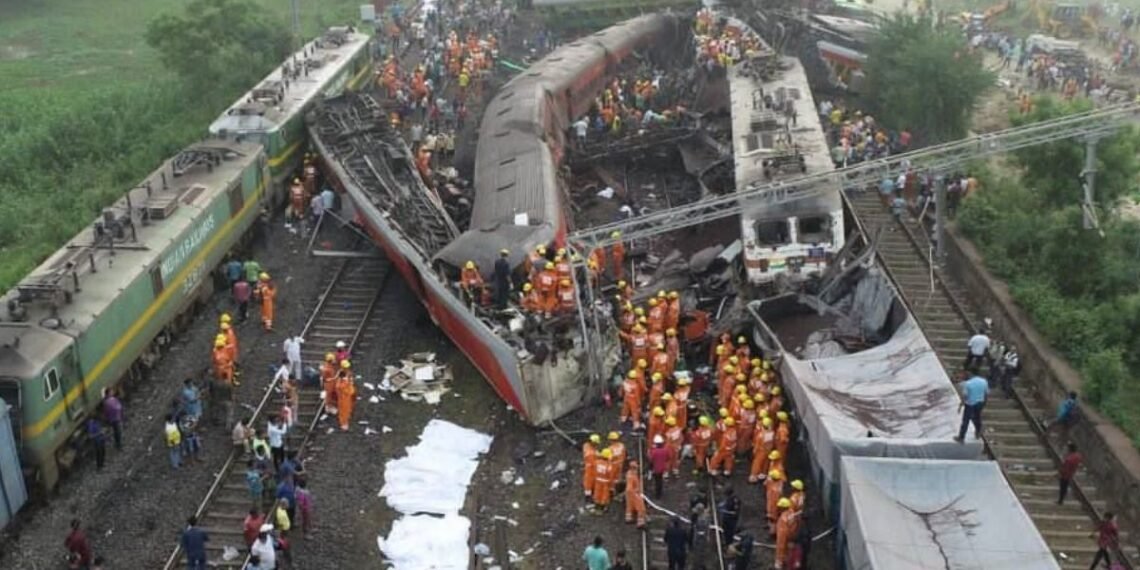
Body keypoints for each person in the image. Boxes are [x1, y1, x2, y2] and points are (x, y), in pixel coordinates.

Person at [953, 371, 988, 443]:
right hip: (980, 402)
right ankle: (978, 432)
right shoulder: (984, 381)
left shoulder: (968, 383)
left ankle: (961, 437)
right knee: (977, 418)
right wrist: (984, 402)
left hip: (970, 404)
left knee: (965, 420)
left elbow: (965, 396)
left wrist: (961, 404)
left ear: (971, 374)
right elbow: (986, 393)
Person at [625, 460, 647, 528]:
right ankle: (640, 522)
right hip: (634, 492)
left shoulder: (628, 473)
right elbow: (634, 485)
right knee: (640, 506)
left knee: (629, 505)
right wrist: (637, 491)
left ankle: (628, 518)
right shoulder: (633, 476)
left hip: (628, 492)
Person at [336, 360, 357, 431]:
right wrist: (346, 382)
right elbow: (339, 387)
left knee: (349, 407)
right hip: (344, 397)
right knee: (343, 410)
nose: (347, 368)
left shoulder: (348, 373)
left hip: (349, 394)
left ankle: (347, 417)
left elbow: (350, 381)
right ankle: (343, 423)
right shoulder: (340, 377)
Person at [583, 433, 600, 498]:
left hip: (589, 466)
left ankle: (589, 493)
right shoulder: (591, 453)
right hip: (591, 468)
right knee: (589, 481)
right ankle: (588, 495)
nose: (597, 445)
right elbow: (595, 462)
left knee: (588, 480)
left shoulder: (586, 445)